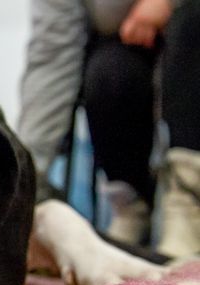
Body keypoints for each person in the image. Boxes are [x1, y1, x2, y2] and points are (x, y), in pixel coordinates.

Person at [18, 0, 199, 256]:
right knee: (109, 75)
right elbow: (52, 54)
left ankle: (189, 201)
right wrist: (28, 167)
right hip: (131, 43)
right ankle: (129, 203)